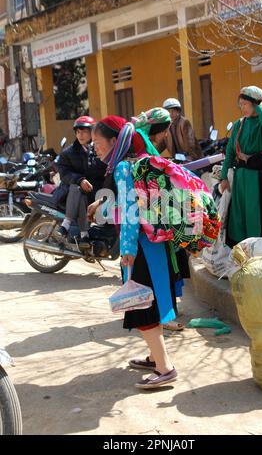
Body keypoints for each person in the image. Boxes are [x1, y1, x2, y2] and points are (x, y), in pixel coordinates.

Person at [88, 109, 179, 389]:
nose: (94, 146)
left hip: (140, 247)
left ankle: (165, 369)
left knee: (141, 307)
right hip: (156, 243)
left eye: (98, 141)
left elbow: (130, 211)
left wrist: (127, 251)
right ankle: (155, 357)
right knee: (151, 300)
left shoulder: (123, 167)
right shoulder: (139, 160)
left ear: (115, 141)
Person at [220, 85, 262, 246]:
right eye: (240, 104)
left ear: (256, 104)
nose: (242, 108)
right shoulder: (239, 125)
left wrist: (261, 109)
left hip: (258, 178)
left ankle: (259, 252)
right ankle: (242, 253)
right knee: (239, 218)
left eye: (245, 104)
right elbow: (231, 151)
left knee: (257, 217)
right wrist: (223, 176)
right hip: (240, 178)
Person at [57, 115, 107, 248]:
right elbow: (64, 173)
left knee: (81, 191)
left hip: (95, 192)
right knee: (77, 188)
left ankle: (80, 232)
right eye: (78, 132)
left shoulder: (100, 150)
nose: (80, 135)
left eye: (84, 131)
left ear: (92, 132)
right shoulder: (68, 153)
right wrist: (80, 180)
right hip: (70, 194)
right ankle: (78, 230)